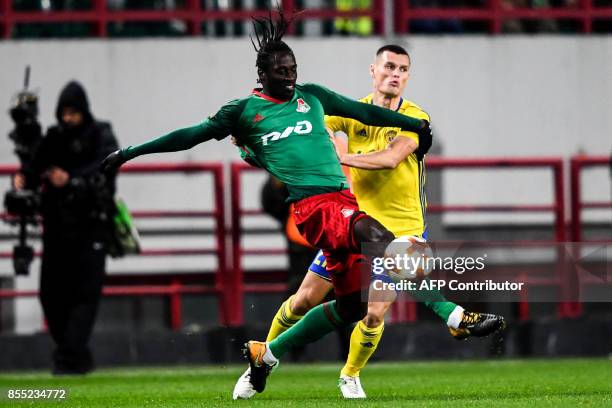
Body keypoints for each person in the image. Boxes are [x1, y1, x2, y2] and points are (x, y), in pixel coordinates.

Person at [102, 8, 432, 396]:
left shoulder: (314, 97)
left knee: (352, 309)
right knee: (375, 233)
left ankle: (267, 355)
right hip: (314, 208)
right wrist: (129, 152)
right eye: (281, 70)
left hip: (341, 202)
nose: (290, 75)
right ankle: (436, 296)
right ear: (262, 74)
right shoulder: (242, 112)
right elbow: (189, 135)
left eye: (292, 68)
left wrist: (418, 127)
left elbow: (365, 112)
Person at [232, 44, 506, 400]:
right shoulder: (352, 112)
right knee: (302, 302)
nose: (395, 74)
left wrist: (341, 157)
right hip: (353, 227)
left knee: (374, 312)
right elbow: (308, 128)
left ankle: (350, 374)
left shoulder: (414, 117)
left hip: (403, 228)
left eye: (403, 69)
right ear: (372, 70)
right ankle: (263, 357)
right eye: (389, 66)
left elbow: (392, 158)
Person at [13, 81, 119, 374]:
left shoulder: (101, 134)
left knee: (84, 296)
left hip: (91, 227)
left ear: (83, 111)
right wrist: (23, 178)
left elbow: (105, 169)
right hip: (58, 229)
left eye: (73, 112)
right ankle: (75, 355)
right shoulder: (54, 137)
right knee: (51, 295)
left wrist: (71, 181)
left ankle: (68, 359)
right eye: (64, 112)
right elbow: (34, 167)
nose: (68, 118)